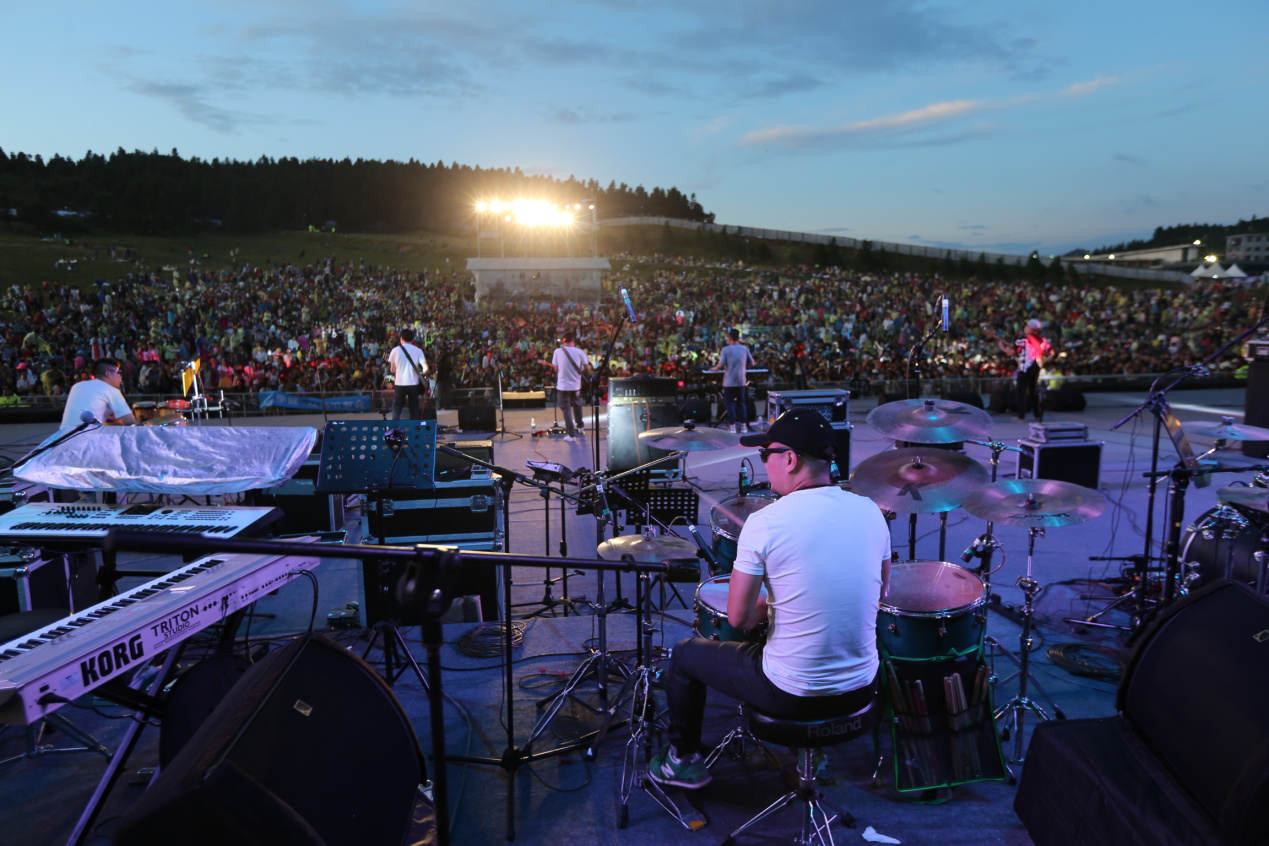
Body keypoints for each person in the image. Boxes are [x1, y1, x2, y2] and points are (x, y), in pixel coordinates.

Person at [648, 409, 891, 789]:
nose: (766, 464)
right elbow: (880, 594)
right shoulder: (870, 510)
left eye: (767, 455)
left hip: (791, 694)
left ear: (790, 459)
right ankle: (816, 756)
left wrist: (769, 607)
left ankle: (682, 760)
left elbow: (740, 618)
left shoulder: (765, 522)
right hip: (862, 687)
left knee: (684, 656)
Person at [994, 319, 1052, 422]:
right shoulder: (1043, 340)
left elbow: (1012, 351)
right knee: (1033, 391)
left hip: (1025, 367)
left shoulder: (1023, 340)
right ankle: (1037, 416)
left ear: (1030, 329)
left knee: (1020, 391)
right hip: (1036, 367)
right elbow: (1049, 352)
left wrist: (1002, 347)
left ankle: (1021, 416)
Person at [60, 357, 138, 429]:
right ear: (107, 373)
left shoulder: (76, 386)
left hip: (61, 438)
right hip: (87, 439)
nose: (120, 376)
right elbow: (129, 421)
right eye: (118, 372)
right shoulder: (111, 390)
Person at [543, 333, 590, 443]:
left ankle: (571, 435)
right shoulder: (580, 352)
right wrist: (579, 374)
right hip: (576, 385)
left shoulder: (557, 352)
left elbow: (556, 369)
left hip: (563, 386)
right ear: (573, 341)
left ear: (564, 342)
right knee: (577, 405)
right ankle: (580, 426)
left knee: (566, 410)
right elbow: (587, 368)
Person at [712, 328, 756, 433]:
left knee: (730, 404)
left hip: (729, 382)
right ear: (739, 337)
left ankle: (732, 426)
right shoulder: (744, 349)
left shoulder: (725, 349)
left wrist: (713, 369)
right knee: (741, 403)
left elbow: (721, 364)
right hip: (741, 381)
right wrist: (744, 367)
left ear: (729, 337)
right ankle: (744, 426)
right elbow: (752, 363)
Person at [387, 328, 428, 420]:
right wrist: (421, 373)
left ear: (401, 338)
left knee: (397, 407)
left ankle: (395, 428)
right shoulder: (418, 350)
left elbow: (392, 370)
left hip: (400, 384)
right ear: (413, 339)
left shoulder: (395, 350)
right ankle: (414, 429)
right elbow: (426, 368)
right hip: (414, 384)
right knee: (414, 408)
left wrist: (390, 379)